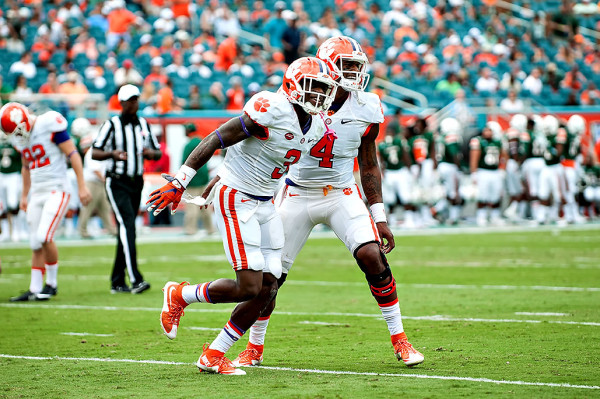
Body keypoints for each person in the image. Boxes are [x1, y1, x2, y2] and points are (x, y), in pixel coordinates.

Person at [232, 37, 424, 368]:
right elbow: (252, 144)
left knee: (372, 256)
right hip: (295, 193)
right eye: (346, 65)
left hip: (341, 193)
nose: (353, 72)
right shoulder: (292, 100)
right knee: (271, 280)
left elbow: (368, 162)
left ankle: (400, 339)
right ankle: (254, 346)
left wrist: (378, 215)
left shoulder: (367, 106)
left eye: (356, 66)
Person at [148, 57, 337, 375]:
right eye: (312, 86)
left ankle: (213, 354)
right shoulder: (270, 108)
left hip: (265, 202)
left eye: (323, 88)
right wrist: (182, 182)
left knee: (270, 286)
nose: (319, 94)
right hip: (237, 198)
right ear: (292, 86)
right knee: (250, 286)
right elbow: (217, 139)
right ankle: (180, 294)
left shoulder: (317, 125)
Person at [1, 102, 91, 301]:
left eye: (18, 130)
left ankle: (51, 284)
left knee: (44, 235)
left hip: (57, 189)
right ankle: (34, 288)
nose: (18, 135)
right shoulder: (20, 140)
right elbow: (25, 167)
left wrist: (82, 185)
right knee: (34, 242)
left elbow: (73, 153)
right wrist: (25, 195)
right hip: (37, 192)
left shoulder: (48, 123)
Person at [92, 84, 161, 294]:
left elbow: (157, 152)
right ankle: (136, 279)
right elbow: (95, 152)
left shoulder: (143, 123)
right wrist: (112, 154)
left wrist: (150, 153)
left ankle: (117, 280)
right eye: (130, 100)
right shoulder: (112, 124)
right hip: (117, 181)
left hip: (136, 180)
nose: (134, 103)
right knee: (128, 224)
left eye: (136, 99)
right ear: (121, 103)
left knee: (126, 228)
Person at [76, 118, 117, 238]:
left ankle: (111, 229)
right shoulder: (92, 152)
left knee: (105, 207)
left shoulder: (99, 151)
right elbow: (95, 170)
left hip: (100, 183)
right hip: (92, 183)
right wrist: (105, 179)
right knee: (88, 207)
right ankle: (82, 230)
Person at [470, 122, 506, 226]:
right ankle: (481, 216)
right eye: (486, 130)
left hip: (495, 171)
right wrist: (474, 173)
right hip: (483, 171)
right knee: (482, 195)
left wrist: (502, 169)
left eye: (489, 130)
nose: (487, 132)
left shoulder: (498, 142)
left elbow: (503, 156)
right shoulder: (478, 141)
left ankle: (495, 216)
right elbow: (474, 159)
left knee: (496, 196)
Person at [181, 124, 214, 236]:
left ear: (188, 131)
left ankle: (190, 229)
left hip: (192, 179)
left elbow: (184, 164)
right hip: (204, 178)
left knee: (191, 207)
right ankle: (210, 229)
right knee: (205, 205)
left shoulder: (188, 145)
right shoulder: (203, 141)